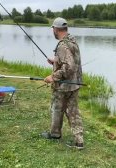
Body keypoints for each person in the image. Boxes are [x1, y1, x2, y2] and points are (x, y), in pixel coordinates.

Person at [41, 17, 84, 150]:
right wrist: (55, 61)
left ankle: (55, 134)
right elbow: (70, 60)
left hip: (63, 85)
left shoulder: (62, 45)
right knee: (73, 112)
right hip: (75, 84)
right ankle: (79, 141)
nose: (53, 31)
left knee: (57, 108)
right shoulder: (72, 40)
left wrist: (53, 77)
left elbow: (69, 66)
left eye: (53, 29)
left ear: (56, 29)